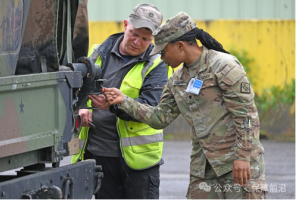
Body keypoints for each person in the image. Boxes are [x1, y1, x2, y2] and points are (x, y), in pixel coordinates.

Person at [103, 12, 267, 200]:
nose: (162, 58)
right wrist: (124, 101)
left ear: (179, 46)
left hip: (236, 164)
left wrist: (243, 156)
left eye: (163, 52)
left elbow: (246, 115)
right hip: (203, 169)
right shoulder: (177, 79)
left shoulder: (223, 66)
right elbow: (160, 117)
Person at [71, 3, 172, 200]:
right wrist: (81, 107)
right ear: (126, 25)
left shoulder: (157, 64)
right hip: (97, 154)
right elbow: (76, 89)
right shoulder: (96, 52)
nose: (137, 42)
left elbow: (151, 107)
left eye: (145, 38)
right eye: (134, 33)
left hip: (139, 163)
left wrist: (116, 104)